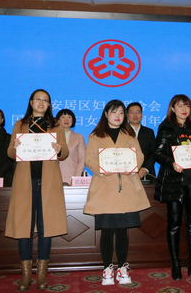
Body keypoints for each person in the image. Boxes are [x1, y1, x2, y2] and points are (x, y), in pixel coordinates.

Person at [5, 89, 69, 291]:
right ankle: (25, 275)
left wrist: (59, 149)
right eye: (38, 99)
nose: (41, 103)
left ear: (49, 104)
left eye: (45, 100)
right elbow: (10, 153)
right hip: (25, 181)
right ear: (31, 102)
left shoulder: (56, 124)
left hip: (48, 181)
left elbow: (65, 152)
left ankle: (41, 274)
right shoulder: (20, 124)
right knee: (23, 226)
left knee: (45, 227)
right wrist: (15, 146)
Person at [84, 100, 150, 286]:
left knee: (122, 232)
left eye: (121, 112)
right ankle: (107, 269)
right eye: (114, 112)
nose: (118, 116)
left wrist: (132, 166)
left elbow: (139, 155)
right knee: (106, 232)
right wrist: (102, 168)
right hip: (104, 189)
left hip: (126, 188)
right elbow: (89, 159)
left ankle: (122, 268)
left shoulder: (129, 134)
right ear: (106, 114)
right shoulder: (95, 135)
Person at [154, 94, 191, 281]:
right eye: (179, 106)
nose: (183, 109)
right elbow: (157, 153)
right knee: (174, 223)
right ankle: (176, 264)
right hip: (174, 181)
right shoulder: (166, 128)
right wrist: (172, 163)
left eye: (186, 106)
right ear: (172, 109)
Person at [56, 109, 86, 185]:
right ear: (58, 120)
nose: (66, 119)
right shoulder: (51, 137)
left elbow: (82, 160)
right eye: (63, 117)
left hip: (72, 177)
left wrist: (76, 178)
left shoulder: (79, 137)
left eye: (69, 117)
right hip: (53, 176)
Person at [126, 102, 156, 178]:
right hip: (126, 174)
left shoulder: (149, 132)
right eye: (132, 112)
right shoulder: (121, 132)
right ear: (127, 115)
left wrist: (145, 169)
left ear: (142, 114)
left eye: (138, 112)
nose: (135, 115)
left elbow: (154, 153)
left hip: (146, 175)